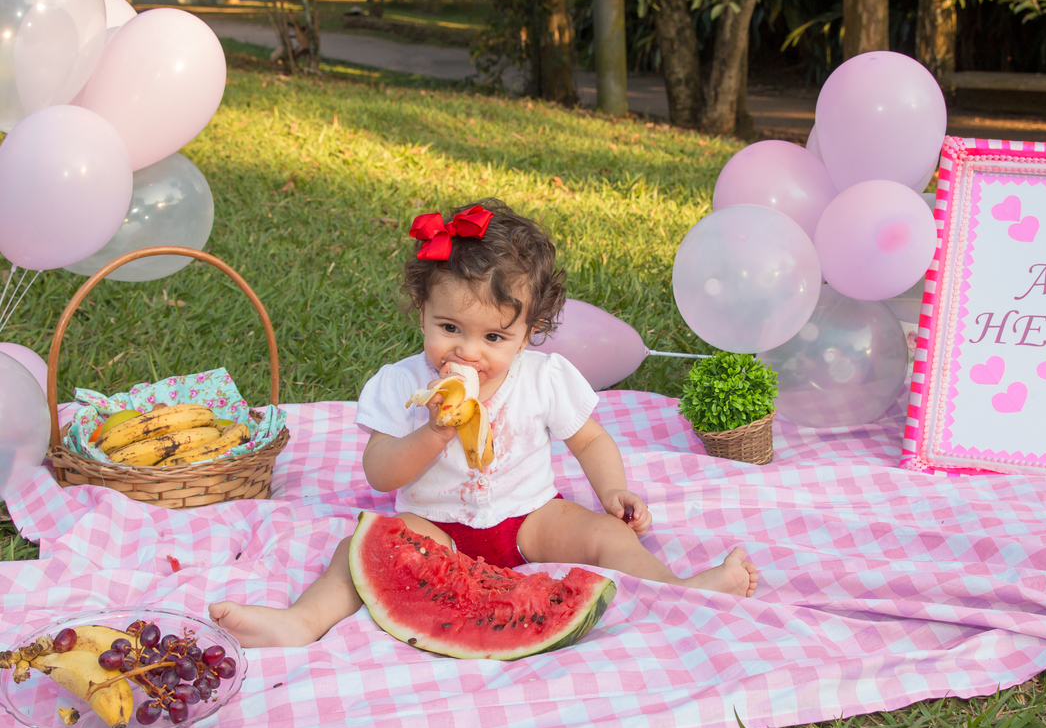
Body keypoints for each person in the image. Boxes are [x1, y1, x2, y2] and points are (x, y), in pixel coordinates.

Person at [209, 198, 758, 648]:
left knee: (604, 535)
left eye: (494, 337)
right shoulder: (401, 384)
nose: (469, 353)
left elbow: (589, 438)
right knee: (357, 554)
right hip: (435, 527)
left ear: (530, 330)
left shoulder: (543, 377)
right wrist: (433, 433)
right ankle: (301, 621)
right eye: (450, 327)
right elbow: (380, 474)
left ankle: (685, 590)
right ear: (421, 308)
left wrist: (614, 490)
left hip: (529, 518)